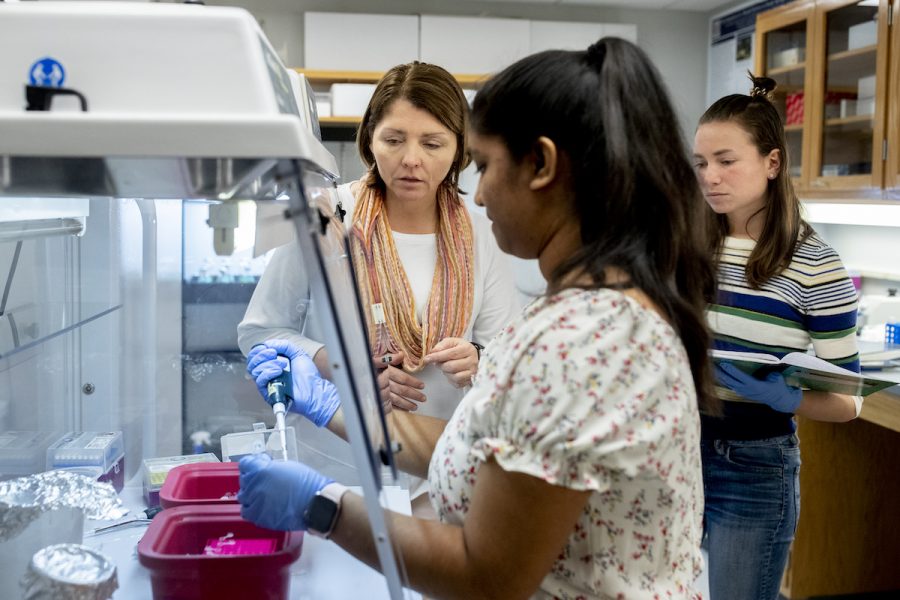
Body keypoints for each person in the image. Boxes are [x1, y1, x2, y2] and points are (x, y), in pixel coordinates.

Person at [241, 37, 718, 599]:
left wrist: (322, 508)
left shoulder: (579, 341)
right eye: (394, 139)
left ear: (540, 164)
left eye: (486, 165)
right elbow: (477, 450)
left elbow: (486, 575)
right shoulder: (591, 315)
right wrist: (330, 406)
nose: (481, 195)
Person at [238, 62, 520, 512]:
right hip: (338, 465)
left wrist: (478, 358)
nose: (411, 159)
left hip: (438, 469)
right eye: (393, 140)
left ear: (459, 149)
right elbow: (259, 331)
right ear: (370, 138)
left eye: (432, 143)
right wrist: (341, 369)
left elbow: (507, 353)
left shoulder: (478, 231)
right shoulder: (325, 215)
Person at [692, 75, 862, 600]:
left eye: (726, 160)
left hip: (754, 466)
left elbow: (849, 401)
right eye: (701, 164)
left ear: (772, 163)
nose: (710, 177)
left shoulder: (815, 264)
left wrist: (786, 396)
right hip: (676, 450)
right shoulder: (687, 244)